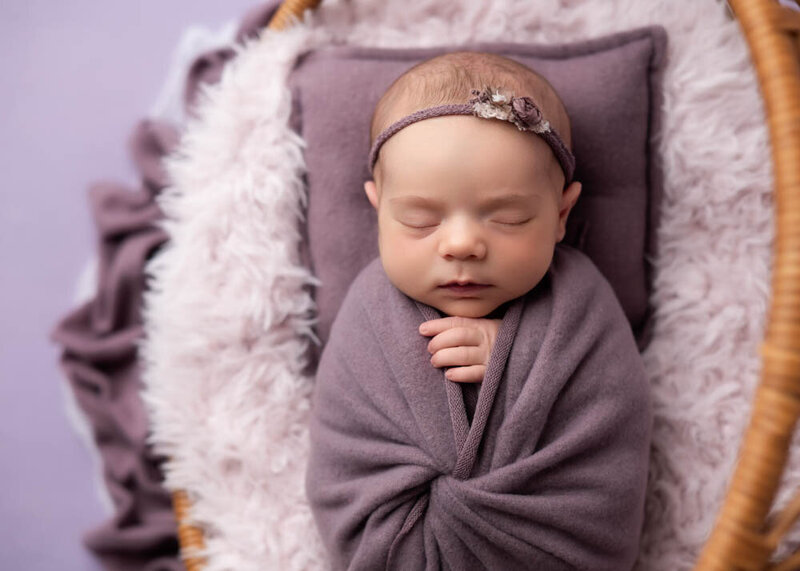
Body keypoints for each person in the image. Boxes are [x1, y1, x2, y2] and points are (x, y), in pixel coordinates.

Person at [305, 51, 652, 570]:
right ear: (379, 210)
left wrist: (517, 360)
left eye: (508, 218)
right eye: (420, 220)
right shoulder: (368, 308)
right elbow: (344, 444)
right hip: (396, 536)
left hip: (554, 537)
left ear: (561, 214)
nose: (462, 244)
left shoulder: (579, 300)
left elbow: (612, 406)